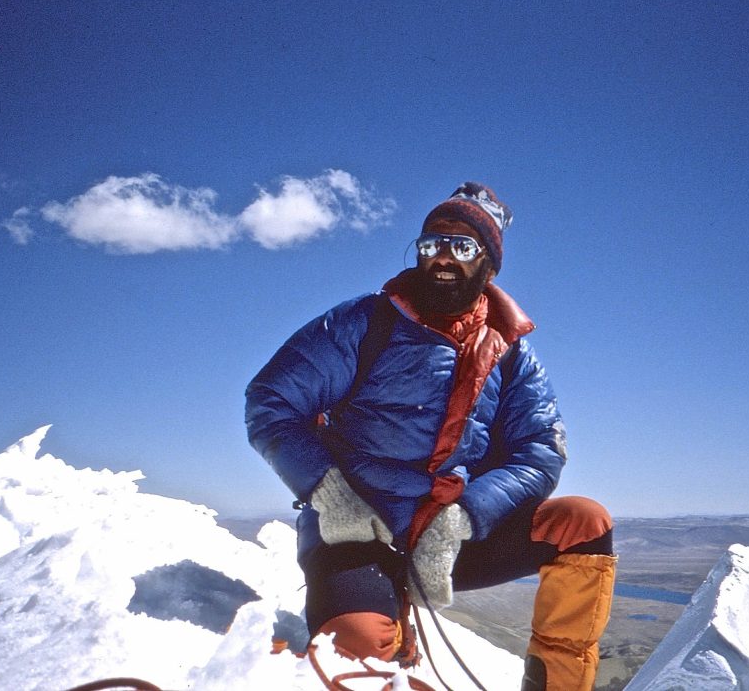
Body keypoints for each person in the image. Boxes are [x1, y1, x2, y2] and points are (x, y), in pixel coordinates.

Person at [245, 182, 616, 690]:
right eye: (431, 244)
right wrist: (330, 495)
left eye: (461, 247)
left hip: (446, 539)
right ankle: (371, 617)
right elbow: (271, 401)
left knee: (583, 522)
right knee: (355, 650)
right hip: (355, 531)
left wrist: (465, 517)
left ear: (488, 264)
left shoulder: (511, 354)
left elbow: (540, 450)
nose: (443, 257)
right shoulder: (362, 324)